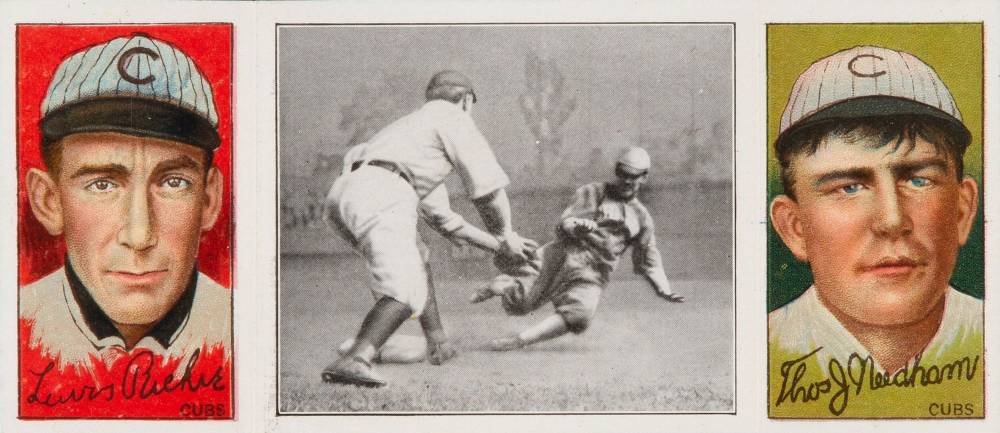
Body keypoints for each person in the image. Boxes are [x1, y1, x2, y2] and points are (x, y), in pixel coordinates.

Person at [768, 46, 981, 415]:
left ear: (962, 211)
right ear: (795, 228)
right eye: (848, 187)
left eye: (918, 180)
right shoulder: (756, 349)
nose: (892, 221)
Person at [20, 33, 230, 369]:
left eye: (173, 182)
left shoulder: (245, 328)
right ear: (49, 201)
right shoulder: (15, 327)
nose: (139, 235)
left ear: (208, 200)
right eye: (102, 184)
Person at [322, 70, 535, 387]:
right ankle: (355, 358)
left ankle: (435, 340)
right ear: (465, 100)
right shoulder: (454, 118)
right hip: (382, 191)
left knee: (417, 259)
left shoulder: (413, 132)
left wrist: (499, 247)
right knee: (404, 290)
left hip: (348, 193)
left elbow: (444, 220)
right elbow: (488, 192)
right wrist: (506, 236)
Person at [472, 146, 684, 351]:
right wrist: (577, 226)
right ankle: (500, 285)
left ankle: (520, 340)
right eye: (623, 173)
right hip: (562, 255)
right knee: (520, 304)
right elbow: (565, 223)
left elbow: (650, 260)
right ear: (617, 171)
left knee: (580, 315)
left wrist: (663, 288)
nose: (627, 180)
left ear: (644, 177)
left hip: (593, 272)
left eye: (634, 175)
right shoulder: (593, 192)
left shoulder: (642, 217)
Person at [330, 145, 505, 365]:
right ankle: (358, 355)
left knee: (411, 264)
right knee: (407, 288)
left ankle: (420, 339)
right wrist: (501, 247)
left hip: (341, 198)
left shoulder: (396, 141)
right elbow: (450, 225)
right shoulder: (429, 163)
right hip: (376, 195)